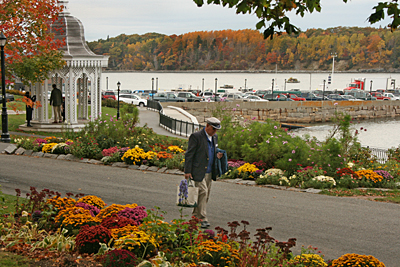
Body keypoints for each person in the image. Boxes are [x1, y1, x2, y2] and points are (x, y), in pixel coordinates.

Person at [184, 117, 223, 229]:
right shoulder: (196, 136)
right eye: (213, 129)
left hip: (209, 171)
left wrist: (217, 155)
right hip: (198, 170)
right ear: (207, 126)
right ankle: (202, 218)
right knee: (203, 192)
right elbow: (189, 154)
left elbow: (211, 151)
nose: (215, 131)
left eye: (216, 129)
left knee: (204, 196)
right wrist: (187, 171)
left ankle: (195, 216)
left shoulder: (214, 137)